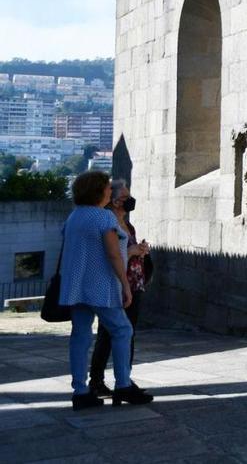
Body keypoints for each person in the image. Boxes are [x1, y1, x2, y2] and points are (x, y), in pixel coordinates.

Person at [62, 171, 153, 410]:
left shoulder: (74, 217)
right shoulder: (104, 219)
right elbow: (114, 254)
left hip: (76, 285)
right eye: (106, 188)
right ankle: (123, 384)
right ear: (99, 192)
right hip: (100, 283)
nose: (108, 192)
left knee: (80, 335)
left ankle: (80, 390)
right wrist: (125, 284)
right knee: (122, 330)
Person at [87, 179, 150, 399]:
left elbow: (127, 250)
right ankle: (97, 381)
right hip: (116, 284)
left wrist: (140, 250)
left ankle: (125, 378)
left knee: (127, 334)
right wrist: (131, 252)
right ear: (113, 201)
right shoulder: (108, 223)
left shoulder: (127, 224)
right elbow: (110, 255)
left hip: (134, 283)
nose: (129, 201)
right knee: (108, 334)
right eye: (125, 198)